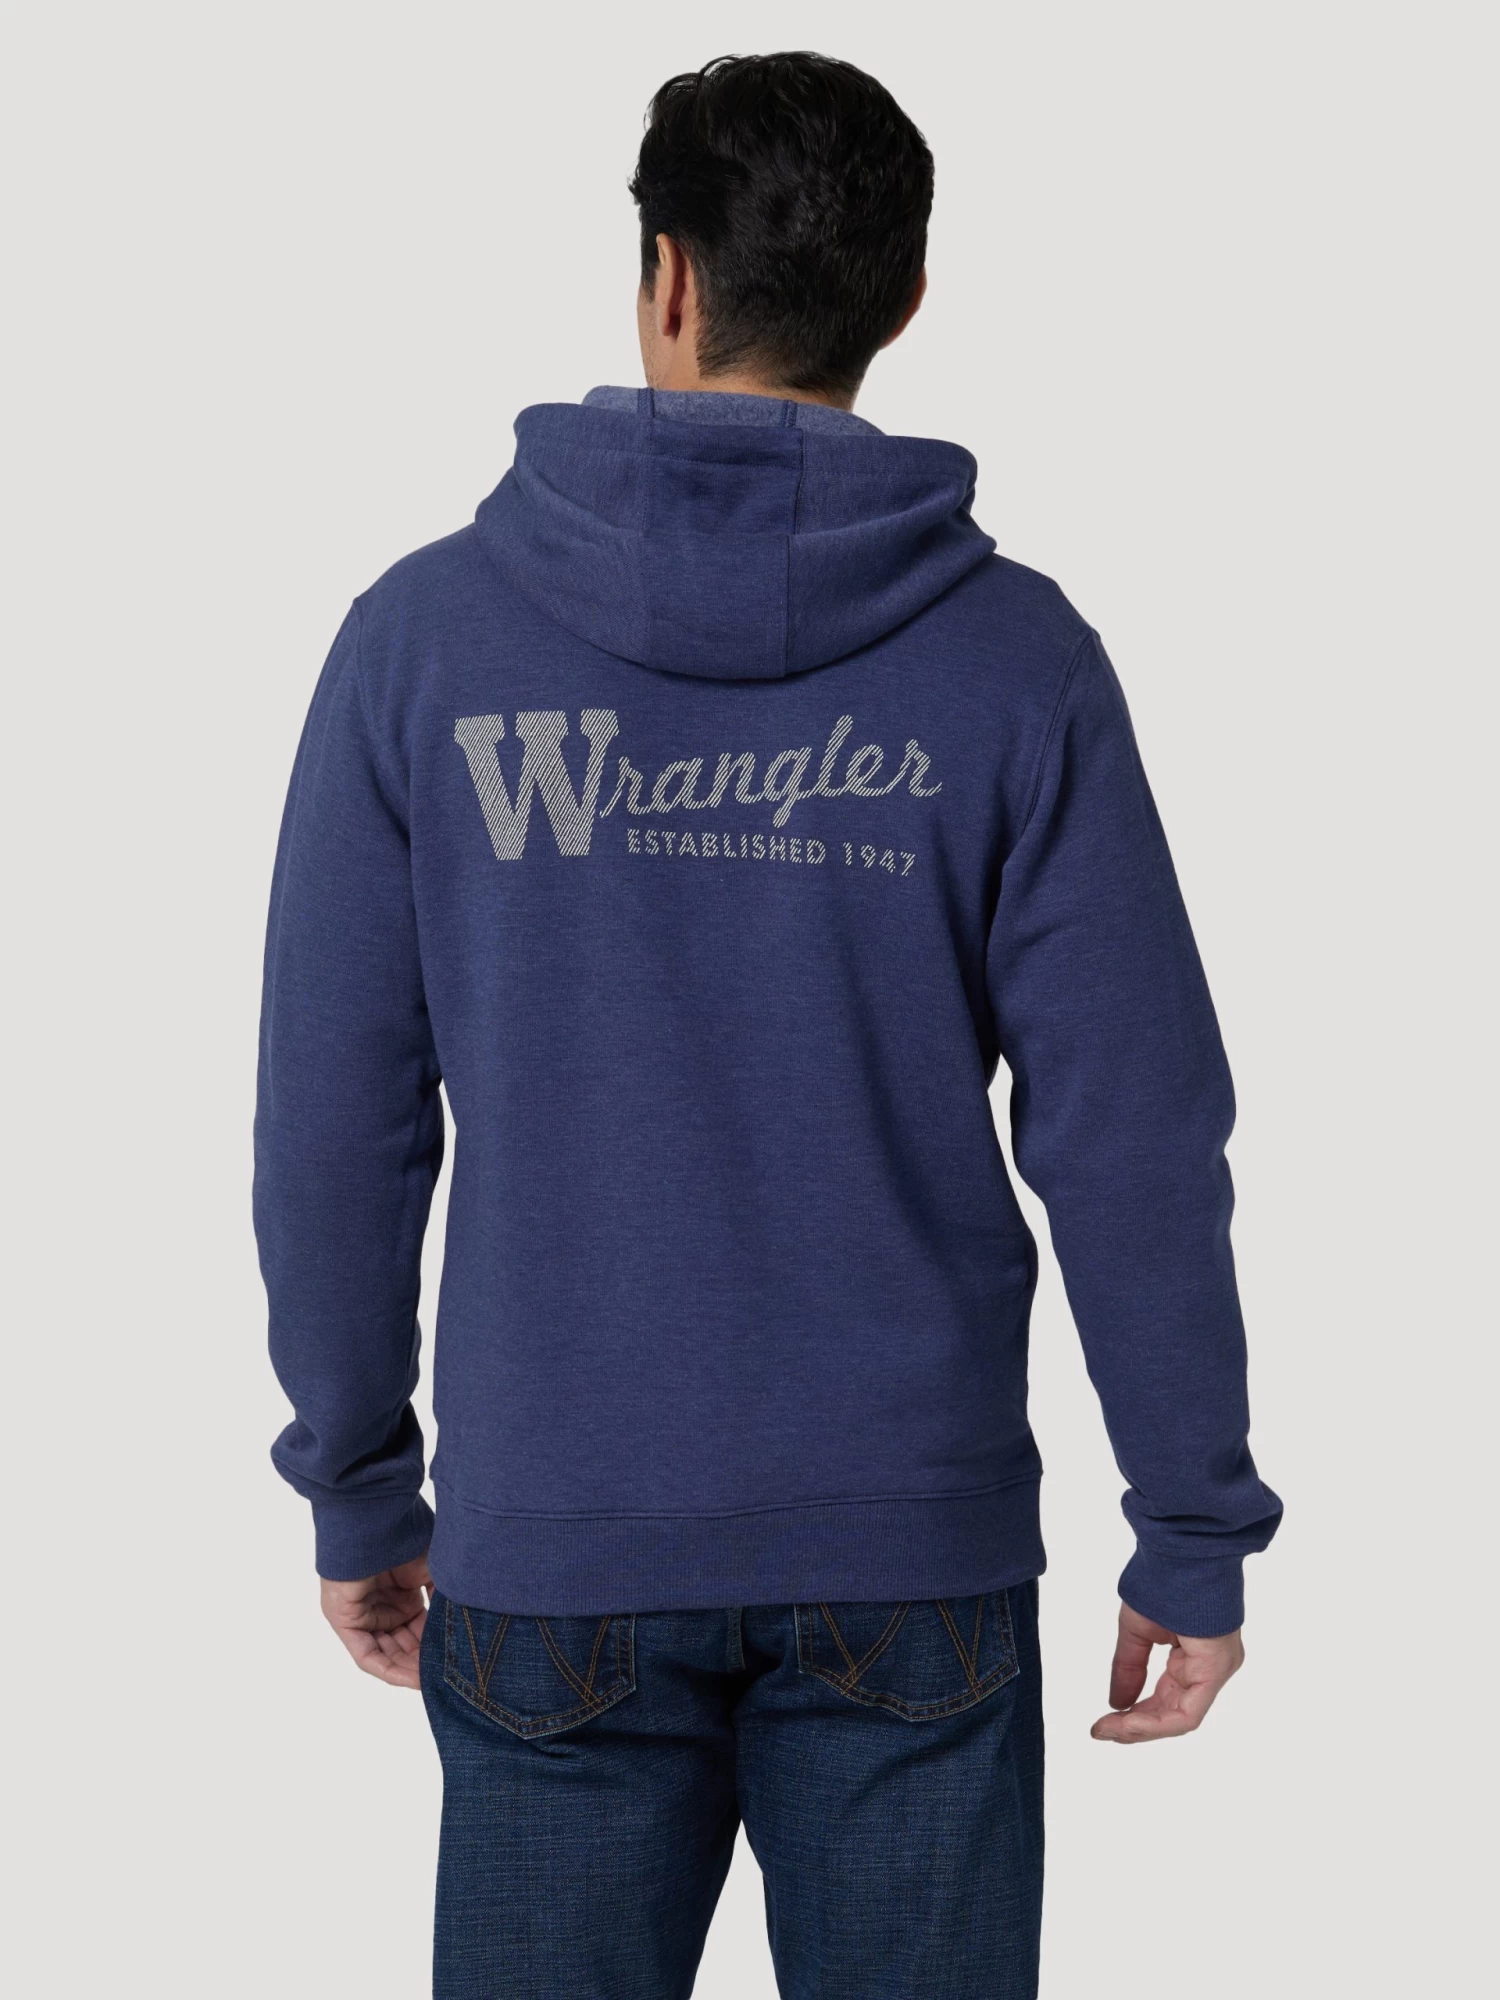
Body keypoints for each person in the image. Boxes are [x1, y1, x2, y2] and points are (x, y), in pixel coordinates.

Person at [255, 49, 1281, 2000]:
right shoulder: (1018, 664)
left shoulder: (424, 647)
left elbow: (335, 1123)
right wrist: (1191, 1523)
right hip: (911, 1556)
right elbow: (1134, 1134)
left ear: (665, 275)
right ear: (905, 297)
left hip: (559, 1547)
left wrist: (361, 1482)